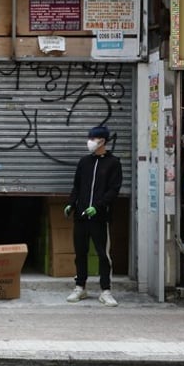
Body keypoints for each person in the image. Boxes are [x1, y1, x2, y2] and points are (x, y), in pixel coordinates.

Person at [64, 125, 123, 307]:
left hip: (99, 217)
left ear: (102, 141)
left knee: (102, 254)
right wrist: (71, 203)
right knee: (80, 253)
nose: (89, 141)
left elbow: (114, 189)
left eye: (93, 138)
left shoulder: (113, 163)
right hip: (81, 217)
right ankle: (80, 287)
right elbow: (77, 186)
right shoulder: (84, 162)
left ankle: (105, 290)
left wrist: (98, 207)